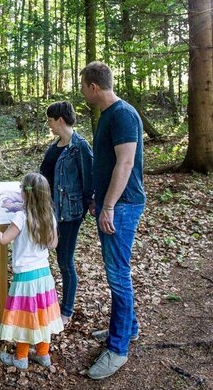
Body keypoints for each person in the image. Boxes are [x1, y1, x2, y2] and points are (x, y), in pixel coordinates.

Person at [79, 61, 146, 380]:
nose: (82, 91)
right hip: (111, 203)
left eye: (83, 86)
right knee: (117, 272)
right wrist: (97, 196)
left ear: (94, 87)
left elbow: (126, 162)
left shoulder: (122, 114)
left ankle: (118, 349)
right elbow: (106, 165)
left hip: (122, 206)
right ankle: (128, 329)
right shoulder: (108, 115)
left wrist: (108, 206)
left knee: (118, 276)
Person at [0, 173, 65, 370]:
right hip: (44, 275)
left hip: (25, 277)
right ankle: (43, 354)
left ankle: (20, 358)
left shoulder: (21, 217)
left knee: (26, 317)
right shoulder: (49, 214)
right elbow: (53, 244)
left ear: (24, 193)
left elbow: (4, 239)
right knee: (42, 315)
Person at [40, 101, 93, 327]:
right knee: (52, 257)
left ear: (60, 120)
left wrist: (80, 209)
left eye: (50, 121)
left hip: (69, 214)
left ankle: (67, 310)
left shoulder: (80, 146)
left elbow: (89, 180)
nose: (49, 125)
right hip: (50, 211)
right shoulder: (56, 145)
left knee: (65, 261)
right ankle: (51, 304)